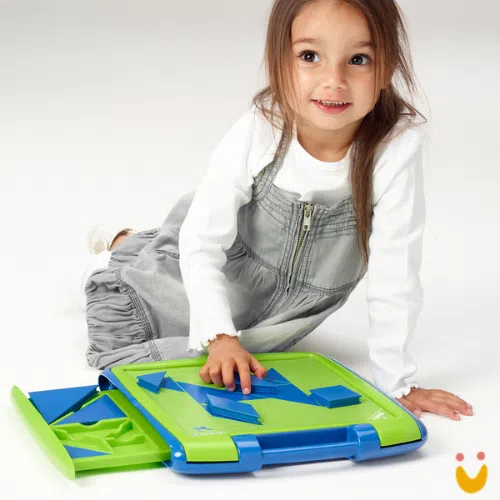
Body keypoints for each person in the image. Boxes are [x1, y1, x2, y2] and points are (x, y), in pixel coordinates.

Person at [80, 0, 473, 421]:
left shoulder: (395, 148)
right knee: (152, 306)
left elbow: (396, 273)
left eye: (358, 59)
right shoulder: (263, 127)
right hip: (228, 264)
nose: (334, 81)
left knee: (252, 356)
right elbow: (203, 240)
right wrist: (219, 335)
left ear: (388, 66)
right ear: (278, 60)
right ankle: (123, 247)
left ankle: (130, 242)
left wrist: (397, 383)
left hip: (289, 310)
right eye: (310, 56)